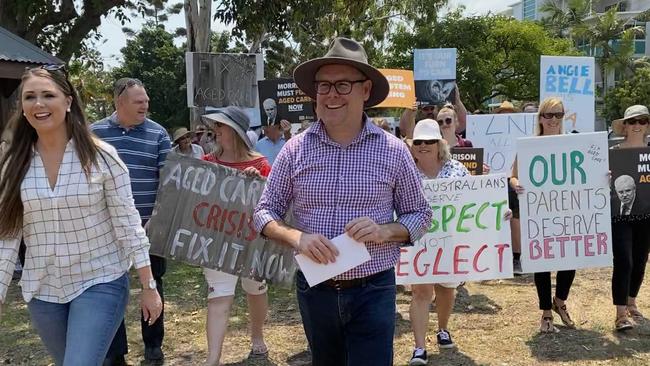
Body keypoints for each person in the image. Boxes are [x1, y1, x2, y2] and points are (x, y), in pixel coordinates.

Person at [253, 37, 432, 366]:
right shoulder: (295, 150)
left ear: (365, 90)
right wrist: (298, 237)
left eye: (343, 85)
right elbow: (263, 213)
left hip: (373, 289)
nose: (331, 94)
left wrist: (385, 231)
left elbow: (420, 214)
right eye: (323, 86)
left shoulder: (393, 151)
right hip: (314, 288)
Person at [0, 65, 162, 365]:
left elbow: (128, 226)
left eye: (48, 95)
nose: (39, 104)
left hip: (99, 281)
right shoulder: (12, 163)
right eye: (29, 97)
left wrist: (149, 286)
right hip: (43, 289)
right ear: (21, 107)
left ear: (68, 101)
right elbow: (7, 235)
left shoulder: (102, 157)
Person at [91, 77, 171, 365]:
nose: (145, 105)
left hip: (148, 227)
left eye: (146, 101)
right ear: (119, 102)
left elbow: (169, 182)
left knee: (153, 284)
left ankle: (153, 346)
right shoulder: (93, 133)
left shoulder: (159, 134)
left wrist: (157, 220)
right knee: (110, 288)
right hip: (104, 230)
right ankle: (115, 352)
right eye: (139, 102)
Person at [199, 106, 271, 365]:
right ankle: (212, 358)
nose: (214, 131)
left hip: (253, 243)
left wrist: (255, 184)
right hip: (218, 241)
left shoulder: (261, 165)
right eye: (215, 126)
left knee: (255, 290)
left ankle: (257, 336)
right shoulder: (207, 163)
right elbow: (197, 201)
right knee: (218, 296)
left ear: (236, 132)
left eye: (220, 126)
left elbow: (273, 204)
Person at [510, 97, 576, 333]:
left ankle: (560, 301)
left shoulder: (572, 143)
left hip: (568, 210)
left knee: (571, 257)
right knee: (543, 262)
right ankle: (546, 311)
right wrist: (516, 184)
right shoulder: (530, 145)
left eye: (558, 115)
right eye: (549, 115)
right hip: (539, 211)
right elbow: (514, 175)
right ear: (540, 118)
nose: (553, 120)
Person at [407, 119, 469, 365]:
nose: (423, 146)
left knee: (446, 288)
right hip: (419, 241)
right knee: (421, 291)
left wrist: (499, 213)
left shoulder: (457, 169)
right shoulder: (407, 172)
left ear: (439, 144)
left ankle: (442, 329)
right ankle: (419, 347)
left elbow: (476, 201)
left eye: (429, 141)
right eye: (419, 142)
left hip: (451, 239)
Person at [609, 105, 650, 331]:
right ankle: (620, 313)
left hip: (646, 216)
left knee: (640, 260)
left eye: (642, 121)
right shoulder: (613, 153)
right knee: (624, 261)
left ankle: (632, 301)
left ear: (647, 126)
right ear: (624, 126)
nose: (637, 126)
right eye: (632, 122)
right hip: (619, 216)